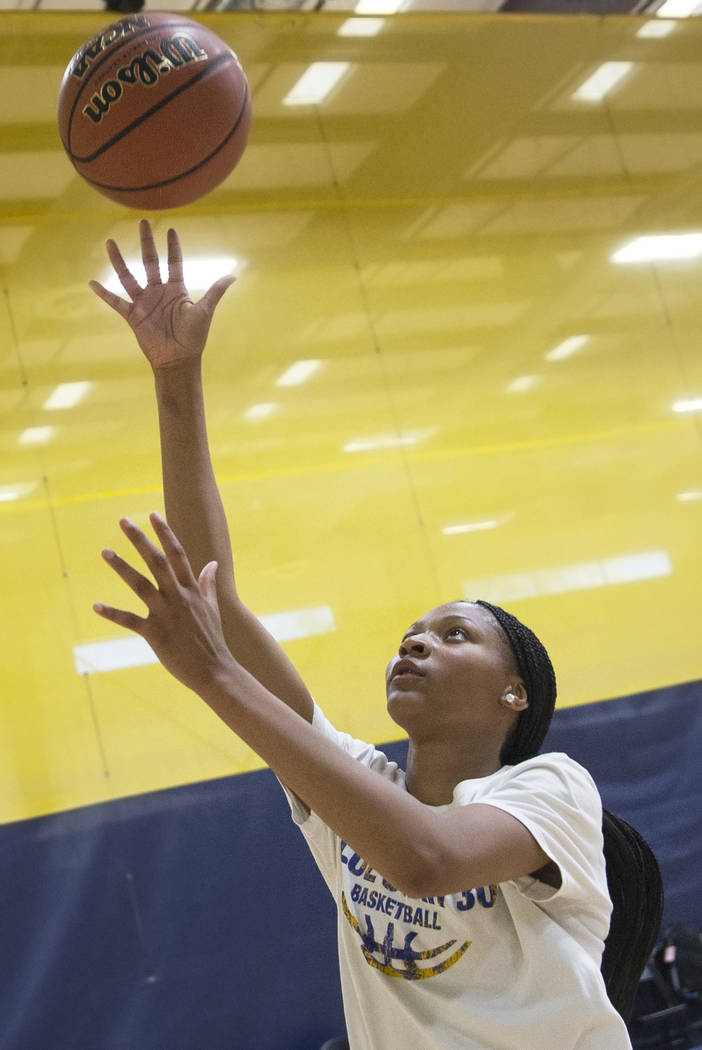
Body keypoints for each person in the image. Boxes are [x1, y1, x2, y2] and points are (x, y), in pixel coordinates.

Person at [90, 221, 663, 1050]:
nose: (416, 643)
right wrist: (177, 377)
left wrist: (217, 677)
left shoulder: (551, 790)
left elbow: (424, 859)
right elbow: (216, 591)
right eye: (410, 633)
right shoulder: (351, 792)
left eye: (454, 634)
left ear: (518, 693)